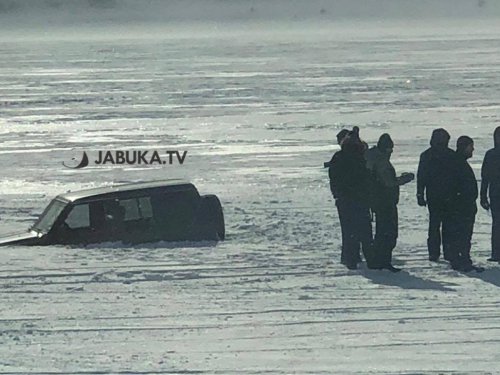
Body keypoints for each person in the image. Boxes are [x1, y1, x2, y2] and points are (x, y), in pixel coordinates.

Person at [365, 134, 414, 272]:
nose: (391, 151)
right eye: (390, 148)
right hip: (385, 202)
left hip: (380, 201)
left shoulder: (373, 159)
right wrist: (405, 179)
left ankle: (381, 260)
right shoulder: (381, 162)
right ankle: (383, 260)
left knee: (383, 232)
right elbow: (389, 183)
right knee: (388, 233)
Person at [329, 128, 374, 270]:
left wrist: (337, 194)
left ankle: (350, 257)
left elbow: (333, 178)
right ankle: (369, 257)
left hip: (345, 199)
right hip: (360, 198)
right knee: (364, 229)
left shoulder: (339, 157)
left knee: (348, 230)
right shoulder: (362, 157)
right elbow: (368, 177)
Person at [416, 129, 457, 262]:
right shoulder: (450, 155)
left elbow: (421, 177)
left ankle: (435, 252)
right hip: (445, 195)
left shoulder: (427, 155)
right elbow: (421, 176)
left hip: (438, 195)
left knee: (436, 225)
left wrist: (420, 194)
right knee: (445, 225)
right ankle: (446, 252)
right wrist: (420, 193)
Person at [448, 136, 483, 272]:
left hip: (462, 205)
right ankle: (462, 260)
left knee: (461, 234)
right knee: (462, 234)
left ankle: (460, 259)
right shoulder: (458, 163)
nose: (472, 149)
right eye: (470, 146)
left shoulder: (457, 162)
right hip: (462, 206)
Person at [480, 126, 500, 263]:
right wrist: (483, 196)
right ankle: (496, 253)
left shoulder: (491, 154)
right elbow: (485, 177)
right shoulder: (491, 154)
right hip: (496, 194)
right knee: (497, 224)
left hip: (495, 193)